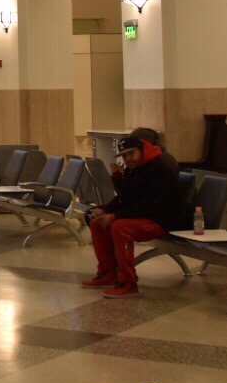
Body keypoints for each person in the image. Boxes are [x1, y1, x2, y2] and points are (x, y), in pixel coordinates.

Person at [82, 127, 191, 298]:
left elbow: (150, 205)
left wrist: (115, 216)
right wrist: (104, 210)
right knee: (97, 221)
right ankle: (108, 273)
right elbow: (124, 198)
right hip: (146, 215)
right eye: (124, 156)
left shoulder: (161, 169)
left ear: (142, 150)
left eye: (131, 154)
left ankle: (128, 283)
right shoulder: (134, 169)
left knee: (120, 227)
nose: (127, 159)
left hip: (163, 220)